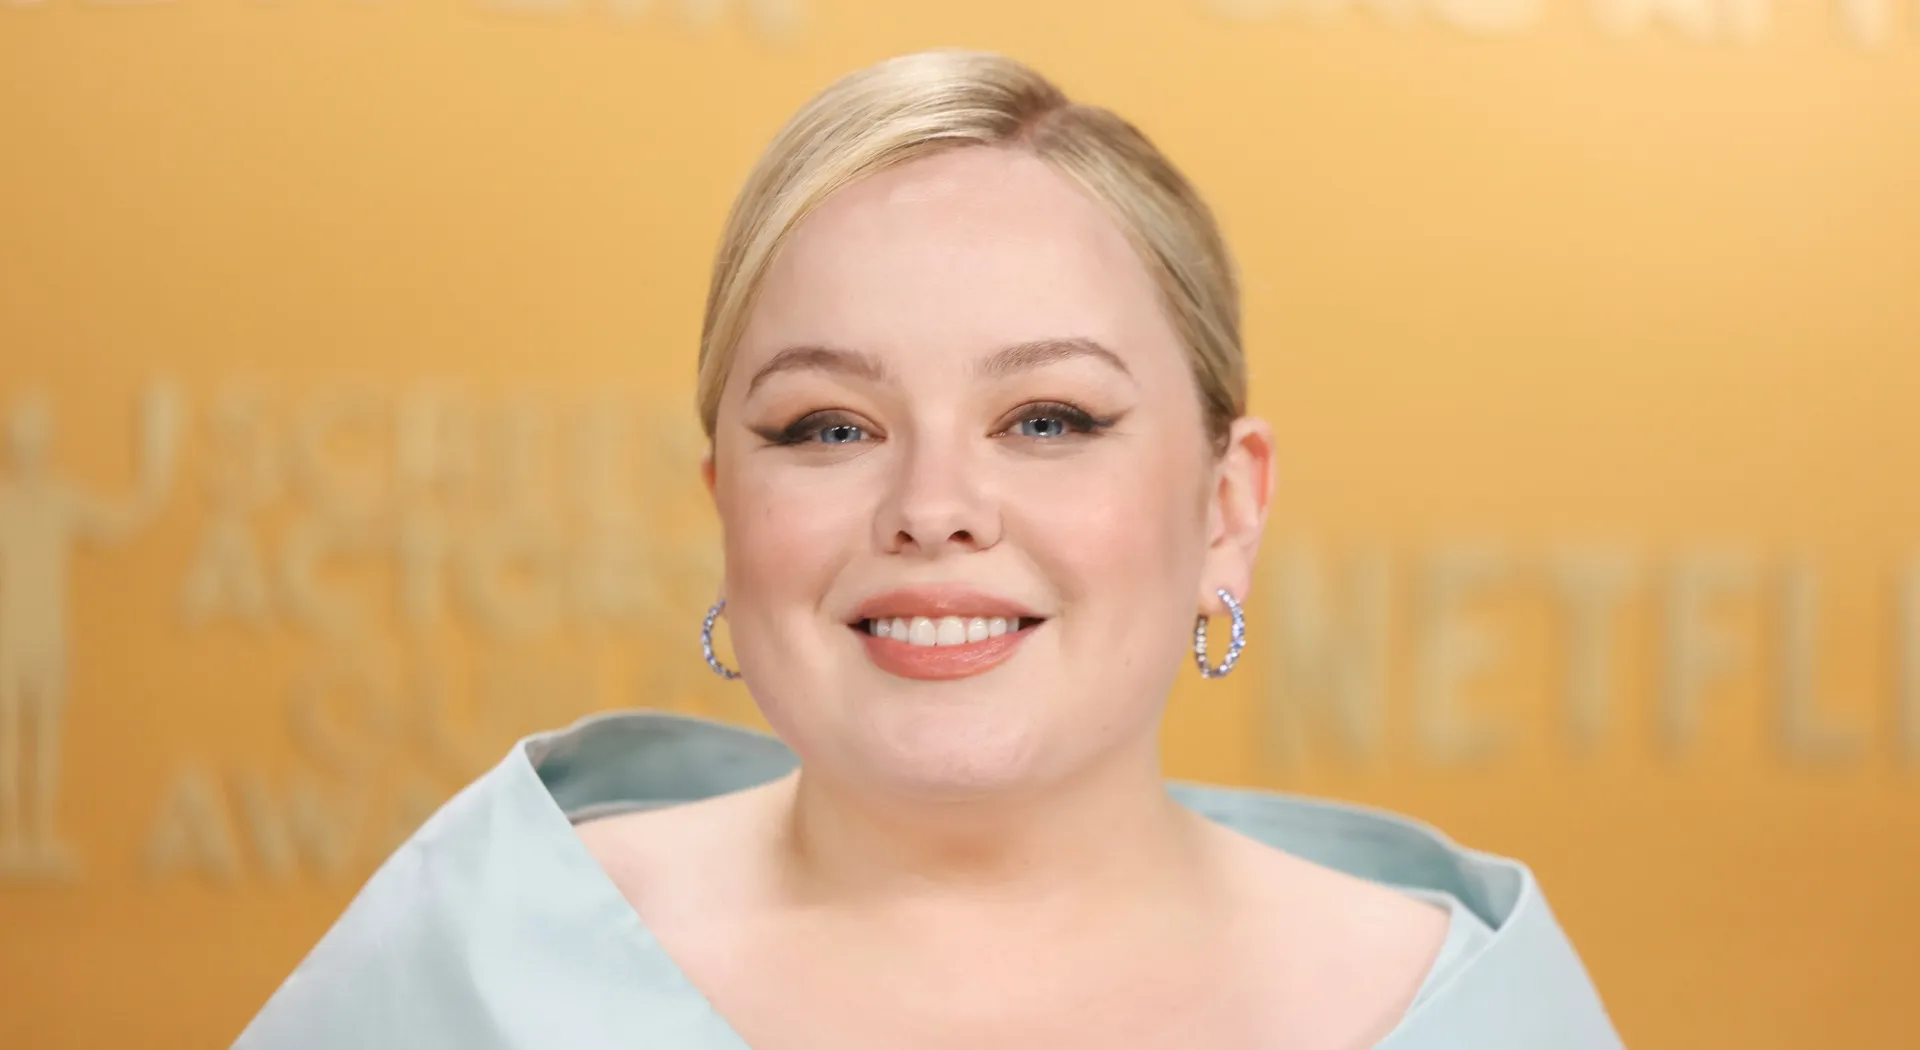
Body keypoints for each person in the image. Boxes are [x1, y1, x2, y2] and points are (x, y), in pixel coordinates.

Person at [237, 51, 1621, 1049]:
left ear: (1227, 507)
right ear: (726, 504)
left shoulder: (1469, 1012)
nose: (933, 505)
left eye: (1048, 419)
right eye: (831, 427)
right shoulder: (475, 959)